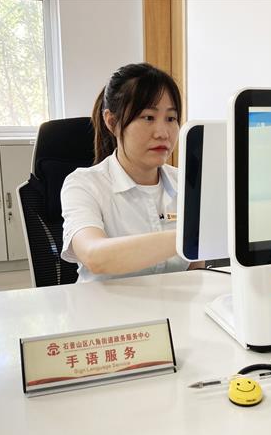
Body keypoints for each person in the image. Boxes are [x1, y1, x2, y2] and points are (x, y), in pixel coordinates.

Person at [61, 63, 201, 282]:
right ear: (112, 122)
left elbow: (196, 271)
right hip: (104, 303)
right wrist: (190, 237)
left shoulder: (187, 183)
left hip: (174, 303)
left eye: (171, 118)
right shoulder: (84, 184)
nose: (163, 133)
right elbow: (94, 256)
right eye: (148, 117)